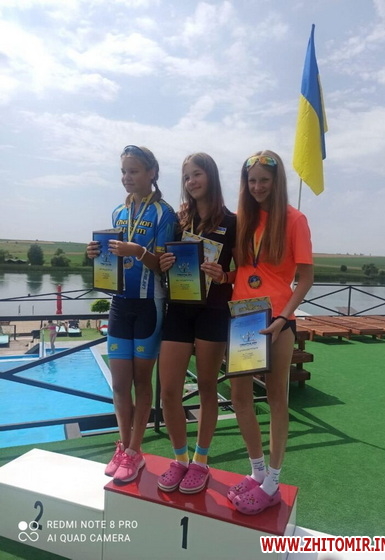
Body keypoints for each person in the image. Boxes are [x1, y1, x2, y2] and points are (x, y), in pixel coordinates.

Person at [227, 150, 313, 514]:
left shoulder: (295, 219)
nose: (258, 187)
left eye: (264, 180)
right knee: (240, 399)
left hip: (277, 322)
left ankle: (274, 482)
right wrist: (223, 275)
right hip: (243, 318)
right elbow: (244, 270)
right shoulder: (243, 219)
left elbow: (305, 278)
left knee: (277, 399)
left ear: (277, 182)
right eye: (252, 180)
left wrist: (283, 318)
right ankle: (257, 472)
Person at [87, 145, 177, 484]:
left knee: (141, 382)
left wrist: (138, 251)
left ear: (152, 172)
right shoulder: (118, 212)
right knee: (120, 383)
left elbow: (163, 266)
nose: (127, 177)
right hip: (120, 304)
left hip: (148, 304)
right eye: (124, 172)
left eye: (134, 171)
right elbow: (111, 261)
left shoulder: (164, 214)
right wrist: (94, 254)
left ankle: (136, 451)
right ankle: (123, 447)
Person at [157, 153, 236, 494]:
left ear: (211, 177)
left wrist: (224, 275)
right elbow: (164, 260)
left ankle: (200, 461)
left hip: (213, 312)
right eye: (187, 176)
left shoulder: (233, 222)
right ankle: (179, 459)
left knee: (206, 387)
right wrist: (164, 262)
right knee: (169, 390)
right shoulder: (179, 221)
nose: (191, 182)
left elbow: (245, 272)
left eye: (197, 174)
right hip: (179, 308)